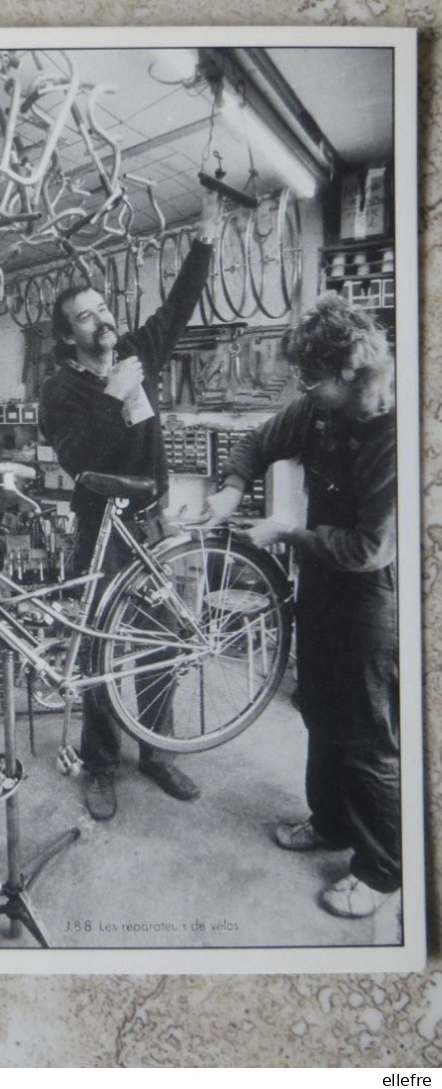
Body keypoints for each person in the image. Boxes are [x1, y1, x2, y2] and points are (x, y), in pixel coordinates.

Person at [205, 292, 400, 918]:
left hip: (370, 598)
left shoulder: (397, 431)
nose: (304, 389)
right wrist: (232, 490)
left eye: (312, 379)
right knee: (318, 708)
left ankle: (379, 873)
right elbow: (259, 441)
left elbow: (370, 547)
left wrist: (288, 534)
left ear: (349, 370)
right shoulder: (316, 409)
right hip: (320, 583)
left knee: (369, 735)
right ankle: (330, 822)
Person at [39, 188, 220, 820]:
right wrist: (115, 399)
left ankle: (158, 750)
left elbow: (177, 305)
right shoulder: (58, 390)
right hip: (100, 529)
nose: (101, 319)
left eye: (101, 308)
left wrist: (204, 238)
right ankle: (99, 762)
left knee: (164, 636)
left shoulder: (137, 355)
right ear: (68, 336)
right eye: (86, 317)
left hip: (153, 521)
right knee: (97, 647)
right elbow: (78, 463)